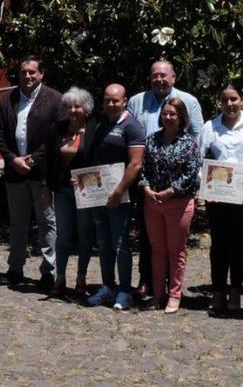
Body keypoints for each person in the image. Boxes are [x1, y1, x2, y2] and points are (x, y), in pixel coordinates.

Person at [125, 60, 205, 297]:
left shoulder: (188, 101)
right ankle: (147, 281)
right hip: (147, 182)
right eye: (154, 75)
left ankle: (172, 288)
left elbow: (197, 140)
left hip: (178, 188)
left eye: (163, 75)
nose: (159, 79)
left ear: (173, 77)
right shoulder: (136, 101)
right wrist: (144, 183)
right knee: (148, 237)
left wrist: (182, 185)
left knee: (174, 245)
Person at [0, 55, 63, 287]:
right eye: (24, 72)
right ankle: (15, 268)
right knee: (17, 222)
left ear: (41, 74)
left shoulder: (55, 99)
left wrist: (33, 160)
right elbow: (0, 135)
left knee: (47, 222)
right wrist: (13, 159)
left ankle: (48, 270)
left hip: (43, 173)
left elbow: (56, 136)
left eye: (32, 72)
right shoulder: (9, 99)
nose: (27, 76)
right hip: (15, 173)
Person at [200, 83, 243, 314]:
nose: (230, 104)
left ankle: (236, 291)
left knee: (240, 247)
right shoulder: (211, 126)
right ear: (220, 101)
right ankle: (219, 292)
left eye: (234, 99)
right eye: (225, 100)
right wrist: (206, 190)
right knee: (219, 246)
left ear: (242, 100)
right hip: (217, 199)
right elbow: (201, 161)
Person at [78, 84, 145, 310]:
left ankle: (125, 290)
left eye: (115, 100)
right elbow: (93, 160)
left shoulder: (132, 126)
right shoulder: (100, 125)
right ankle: (108, 286)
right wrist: (81, 182)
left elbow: (135, 164)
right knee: (103, 242)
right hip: (98, 195)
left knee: (120, 244)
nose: (110, 104)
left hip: (121, 196)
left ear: (124, 101)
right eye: (107, 100)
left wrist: (118, 192)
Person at [137, 97, 201, 314]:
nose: (168, 117)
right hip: (153, 201)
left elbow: (191, 173)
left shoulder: (189, 143)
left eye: (173, 114)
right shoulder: (152, 140)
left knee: (176, 251)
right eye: (165, 113)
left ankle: (174, 294)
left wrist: (170, 191)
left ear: (181, 117)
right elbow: (143, 168)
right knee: (157, 251)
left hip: (178, 203)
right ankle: (158, 294)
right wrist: (146, 188)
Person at [42, 87, 96, 297]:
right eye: (68, 106)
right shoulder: (57, 128)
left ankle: (81, 277)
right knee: (63, 235)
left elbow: (98, 161)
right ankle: (60, 277)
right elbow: (48, 160)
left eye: (77, 106)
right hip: (63, 190)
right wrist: (46, 186)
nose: (72, 110)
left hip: (86, 191)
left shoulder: (94, 129)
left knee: (84, 234)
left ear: (86, 108)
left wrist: (85, 179)